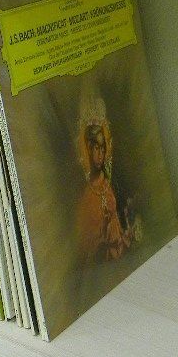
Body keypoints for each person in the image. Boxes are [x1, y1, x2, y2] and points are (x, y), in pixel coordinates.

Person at [75, 106, 137, 265]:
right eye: (96, 148)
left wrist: (125, 234)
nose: (100, 154)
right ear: (88, 150)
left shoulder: (111, 184)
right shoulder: (87, 196)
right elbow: (88, 244)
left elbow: (119, 222)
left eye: (103, 148)